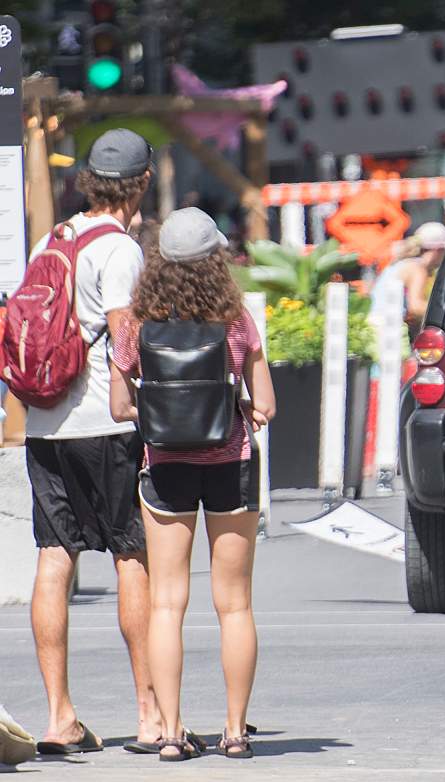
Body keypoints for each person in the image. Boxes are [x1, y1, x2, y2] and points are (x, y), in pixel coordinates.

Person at [110, 208, 277, 762]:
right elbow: (268, 406)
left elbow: (118, 406)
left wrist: (158, 408)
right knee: (234, 605)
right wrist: (241, 404)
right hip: (230, 461)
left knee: (166, 604)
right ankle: (233, 731)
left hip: (166, 467)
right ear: (215, 260)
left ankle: (174, 733)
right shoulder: (236, 318)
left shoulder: (137, 321)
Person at [23, 128, 161, 755]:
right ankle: (149, 712)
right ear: (143, 182)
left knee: (56, 557)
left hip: (45, 422)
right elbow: (125, 340)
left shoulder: (52, 240)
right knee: (133, 555)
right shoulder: (119, 249)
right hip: (107, 422)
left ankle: (58, 716)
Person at [376, 222, 445, 331]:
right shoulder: (417, 269)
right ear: (437, 250)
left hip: (377, 325)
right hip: (386, 331)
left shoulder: (402, 263)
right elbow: (416, 307)